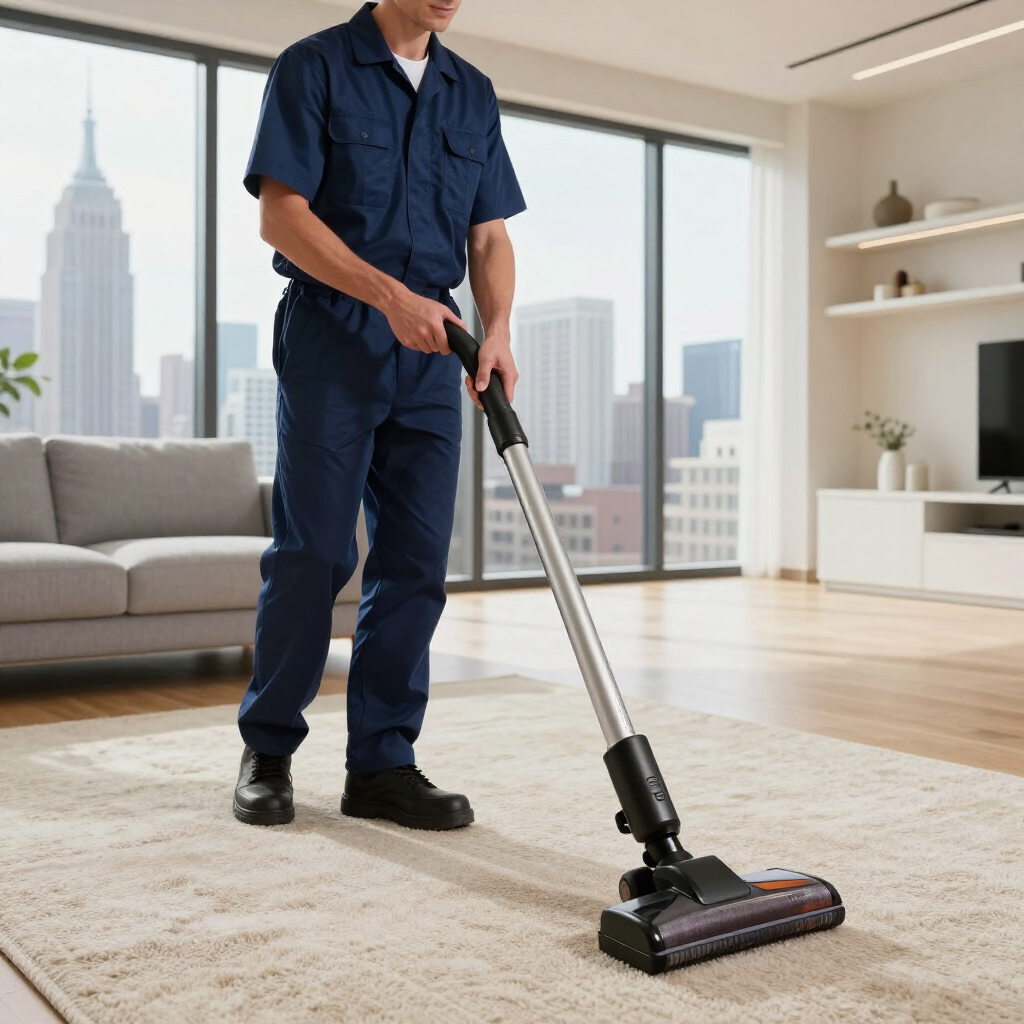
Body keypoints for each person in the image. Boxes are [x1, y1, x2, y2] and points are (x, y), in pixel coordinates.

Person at [232, 0, 525, 829]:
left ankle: (383, 765)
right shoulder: (314, 65)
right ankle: (270, 749)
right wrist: (388, 296)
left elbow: (491, 234)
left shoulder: (472, 91)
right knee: (315, 549)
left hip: (438, 346)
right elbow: (281, 214)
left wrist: (495, 329)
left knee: (415, 562)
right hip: (335, 328)